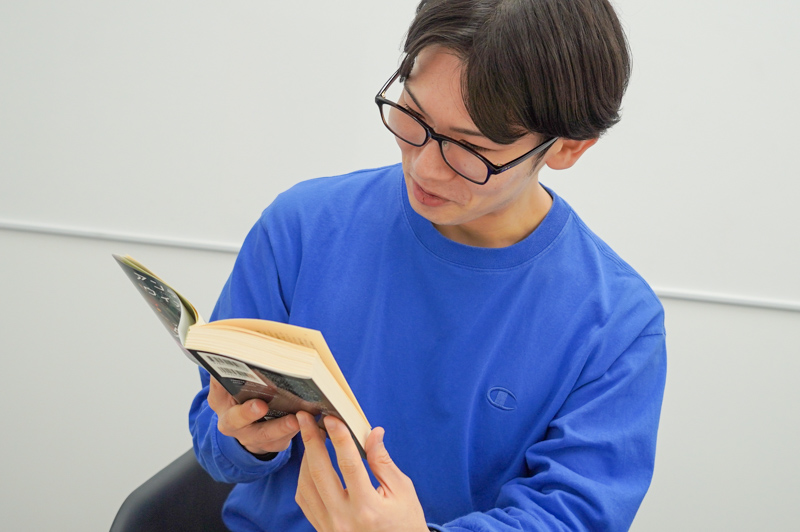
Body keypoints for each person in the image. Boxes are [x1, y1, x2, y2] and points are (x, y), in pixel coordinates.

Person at [189, 0, 667, 530]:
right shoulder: (302, 227)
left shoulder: (617, 321)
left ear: (568, 148)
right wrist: (247, 439)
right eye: (414, 116)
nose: (425, 166)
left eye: (470, 148)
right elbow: (213, 441)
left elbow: (574, 516)